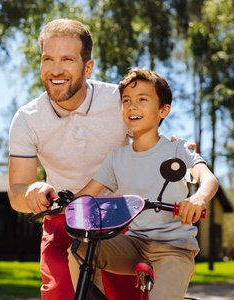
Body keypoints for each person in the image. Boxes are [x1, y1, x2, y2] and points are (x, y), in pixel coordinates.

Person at [8, 18, 195, 299]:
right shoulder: (27, 119)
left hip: (122, 219)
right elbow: (16, 191)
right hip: (65, 218)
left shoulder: (117, 101)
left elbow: (148, 141)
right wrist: (32, 192)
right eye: (48, 59)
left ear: (88, 67)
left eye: (67, 59)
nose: (55, 70)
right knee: (59, 292)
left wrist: (176, 152)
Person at [68, 67, 219, 300]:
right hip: (134, 245)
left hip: (174, 248)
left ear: (163, 110)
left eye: (142, 99)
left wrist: (198, 198)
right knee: (80, 249)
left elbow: (208, 178)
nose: (132, 106)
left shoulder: (177, 149)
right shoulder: (117, 157)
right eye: (126, 100)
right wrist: (62, 202)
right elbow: (86, 196)